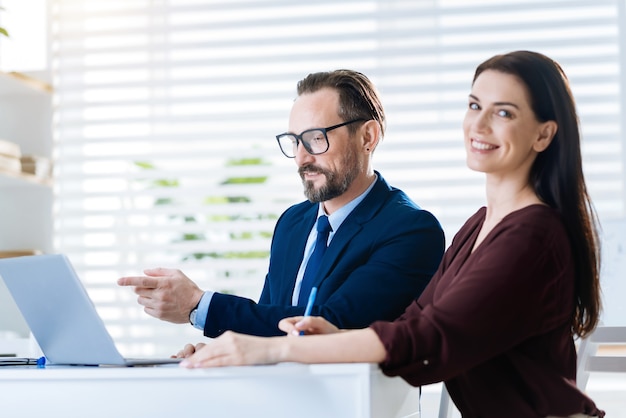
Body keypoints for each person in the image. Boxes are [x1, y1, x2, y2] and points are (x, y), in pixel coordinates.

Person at [177, 51, 606, 418]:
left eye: (504, 112)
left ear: (544, 133)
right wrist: (323, 337)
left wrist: (270, 349)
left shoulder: (532, 237)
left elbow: (429, 340)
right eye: (475, 106)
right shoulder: (480, 224)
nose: (479, 125)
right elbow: (413, 321)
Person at [118, 69, 445, 337]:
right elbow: (269, 322)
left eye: (316, 138)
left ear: (367, 137)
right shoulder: (293, 223)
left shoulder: (411, 230)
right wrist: (229, 349)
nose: (302, 158)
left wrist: (199, 305)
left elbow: (328, 324)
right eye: (294, 141)